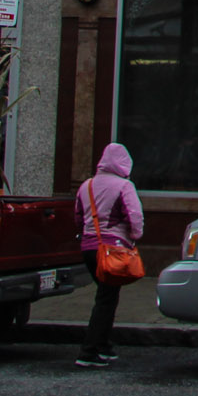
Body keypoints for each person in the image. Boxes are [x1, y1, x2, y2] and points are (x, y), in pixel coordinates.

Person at [75, 142, 144, 368]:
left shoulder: (86, 186)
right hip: (112, 249)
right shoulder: (124, 186)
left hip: (88, 248)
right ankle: (89, 351)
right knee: (105, 298)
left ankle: (104, 345)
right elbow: (135, 217)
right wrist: (135, 236)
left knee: (107, 295)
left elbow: (77, 217)